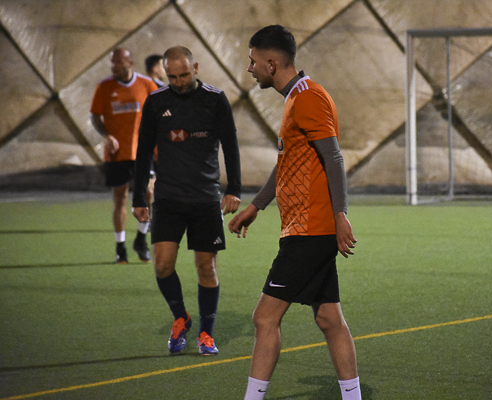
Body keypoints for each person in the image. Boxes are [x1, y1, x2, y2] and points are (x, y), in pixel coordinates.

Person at [229, 25, 362, 400]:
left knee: (264, 317)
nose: (250, 68)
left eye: (253, 61)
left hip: (309, 232)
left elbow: (333, 157)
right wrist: (256, 205)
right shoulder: (297, 98)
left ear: (271, 64)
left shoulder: (308, 98)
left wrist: (340, 214)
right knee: (328, 318)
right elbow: (288, 165)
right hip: (306, 229)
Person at [132, 46, 242, 356]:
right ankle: (181, 317)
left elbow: (230, 145)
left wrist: (234, 188)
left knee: (206, 268)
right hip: (168, 198)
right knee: (162, 265)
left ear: (195, 67)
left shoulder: (215, 99)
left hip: (205, 198)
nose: (179, 82)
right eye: (173, 77)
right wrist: (139, 197)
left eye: (184, 75)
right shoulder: (156, 102)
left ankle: (206, 333)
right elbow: (143, 151)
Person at [90, 47, 158, 264]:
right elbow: (95, 116)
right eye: (112, 62)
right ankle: (120, 248)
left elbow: (159, 112)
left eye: (118, 62)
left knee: (149, 192)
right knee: (120, 198)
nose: (114, 66)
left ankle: (141, 239)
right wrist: (107, 135)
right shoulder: (104, 87)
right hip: (116, 154)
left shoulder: (146, 84)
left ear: (130, 63)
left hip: (142, 151)